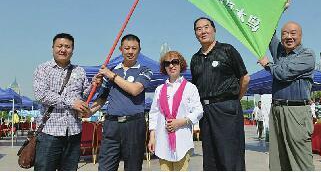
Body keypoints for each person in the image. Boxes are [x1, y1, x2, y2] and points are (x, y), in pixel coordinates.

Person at [190, 17, 250, 170]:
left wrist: (234, 100)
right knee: (211, 159)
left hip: (227, 109)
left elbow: (245, 78)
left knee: (230, 157)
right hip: (206, 112)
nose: (203, 31)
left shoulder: (227, 50)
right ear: (195, 34)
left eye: (206, 27)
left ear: (214, 30)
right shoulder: (195, 59)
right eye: (198, 29)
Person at [89, 34, 153, 171]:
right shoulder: (111, 70)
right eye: (127, 48)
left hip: (134, 124)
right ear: (121, 49)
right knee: (105, 167)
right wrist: (88, 111)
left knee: (133, 168)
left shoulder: (145, 70)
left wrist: (111, 76)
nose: (130, 51)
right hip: (111, 125)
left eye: (134, 48)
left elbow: (135, 90)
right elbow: (101, 99)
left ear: (139, 50)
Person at [258, 20, 316, 171]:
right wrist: (279, 10)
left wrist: (268, 65)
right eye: (285, 33)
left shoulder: (307, 55)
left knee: (300, 159)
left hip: (296, 111)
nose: (288, 37)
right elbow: (270, 32)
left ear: (301, 36)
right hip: (277, 110)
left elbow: (283, 73)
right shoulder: (280, 53)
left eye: (293, 33)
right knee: (278, 159)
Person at [33, 33, 93, 171]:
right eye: (60, 46)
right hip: (49, 133)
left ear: (72, 49)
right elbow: (42, 95)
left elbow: (83, 97)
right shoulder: (43, 69)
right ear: (53, 47)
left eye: (67, 46)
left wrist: (94, 85)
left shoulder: (80, 71)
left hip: (73, 133)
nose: (63, 49)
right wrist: (71, 103)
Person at [148, 51, 203, 171]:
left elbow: (198, 110)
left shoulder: (190, 88)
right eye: (167, 63)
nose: (171, 66)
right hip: (163, 141)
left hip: (182, 140)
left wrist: (180, 122)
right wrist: (152, 137)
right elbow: (154, 114)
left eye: (175, 62)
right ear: (164, 67)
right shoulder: (159, 89)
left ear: (181, 64)